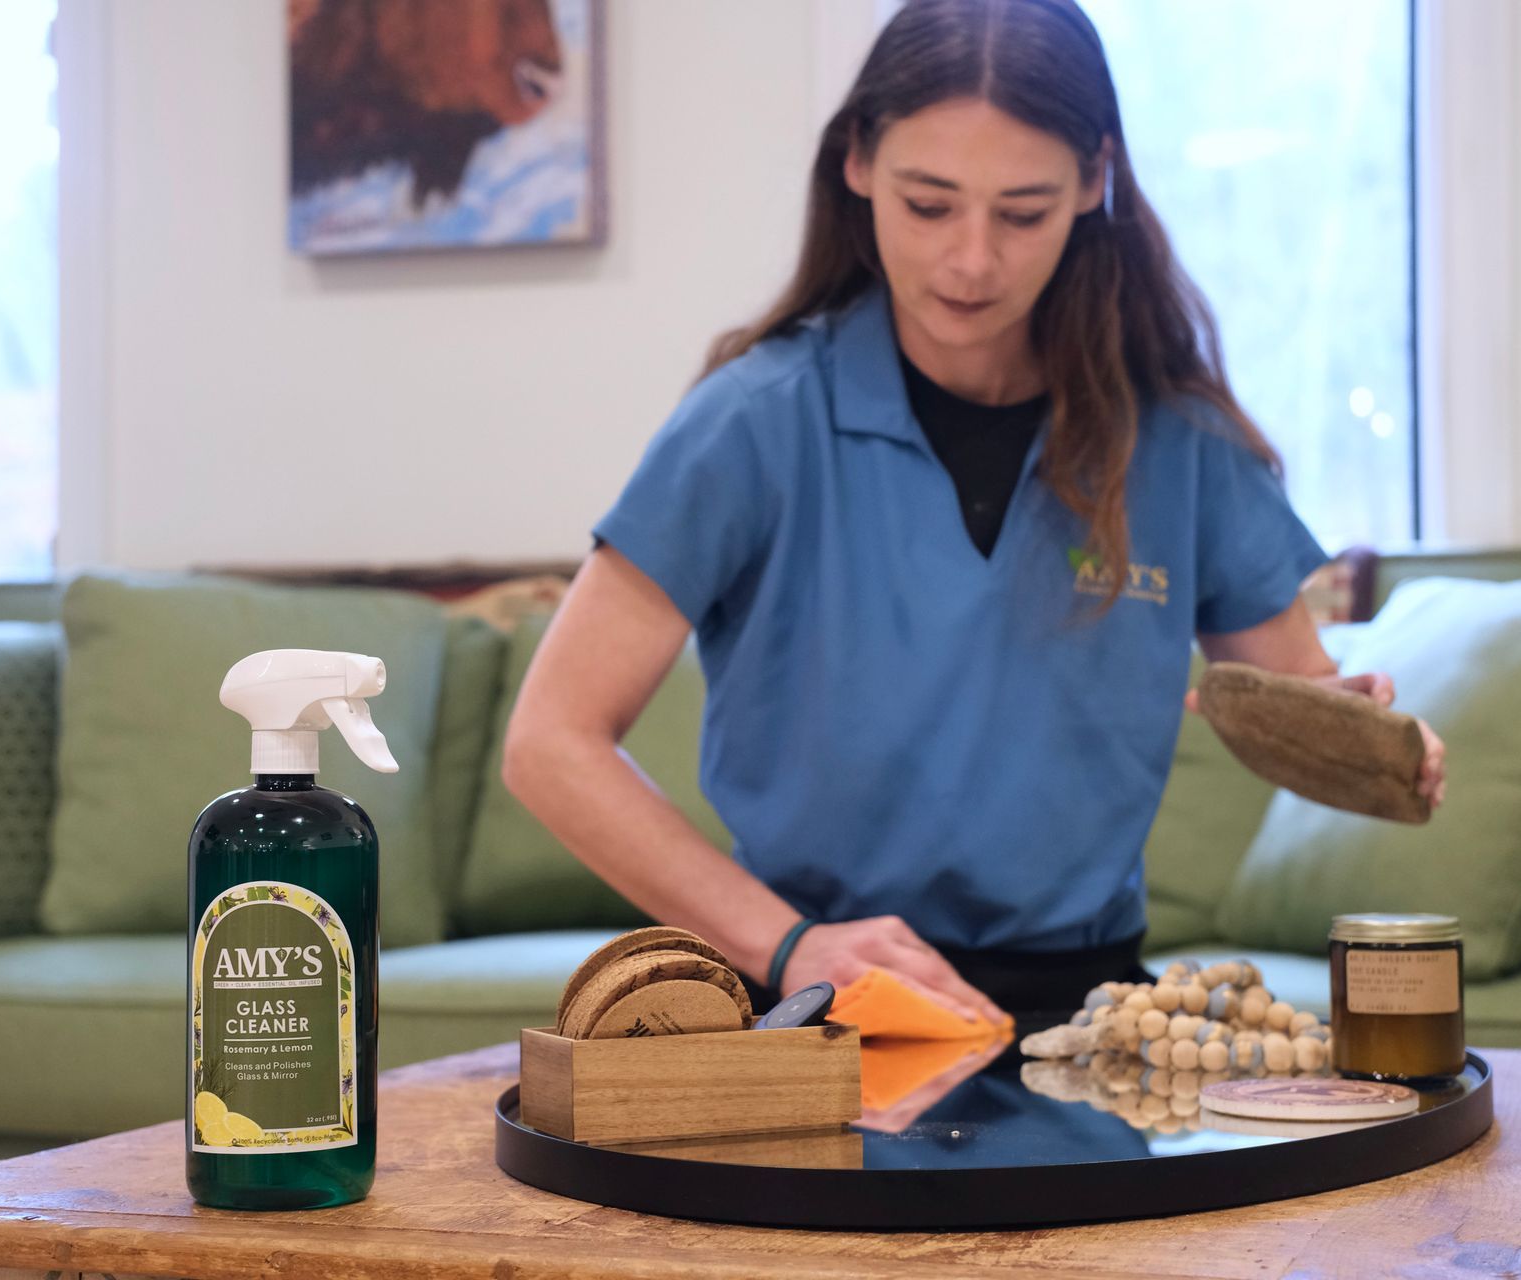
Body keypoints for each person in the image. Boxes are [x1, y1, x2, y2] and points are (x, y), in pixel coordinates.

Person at [501, 0, 1446, 1036]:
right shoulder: (751, 422)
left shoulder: (1177, 438)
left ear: (1095, 183)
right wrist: (790, 944)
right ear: (858, 163)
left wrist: (1364, 733)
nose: (972, 261)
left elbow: (1298, 696)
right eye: (930, 203)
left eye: (1024, 211)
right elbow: (551, 742)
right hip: (816, 1004)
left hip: (1095, 1020)